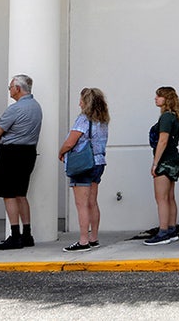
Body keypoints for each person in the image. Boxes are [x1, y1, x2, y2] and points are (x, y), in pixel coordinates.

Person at [0, 74, 43, 250]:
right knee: (21, 193)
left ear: (18, 89)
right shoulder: (36, 107)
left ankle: (15, 235)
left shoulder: (15, 109)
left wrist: (0, 133)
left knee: (9, 194)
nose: (10, 90)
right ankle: (27, 234)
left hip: (11, 153)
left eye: (11, 87)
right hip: (28, 152)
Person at [57, 87, 110, 252]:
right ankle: (94, 238)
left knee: (82, 205)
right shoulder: (103, 120)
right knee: (93, 202)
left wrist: (61, 152)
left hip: (83, 164)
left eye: (81, 99)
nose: (79, 102)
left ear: (86, 102)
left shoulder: (83, 119)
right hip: (99, 162)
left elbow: (71, 142)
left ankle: (83, 241)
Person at [145, 86, 179, 245]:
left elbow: (163, 140)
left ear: (166, 99)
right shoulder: (174, 116)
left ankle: (163, 232)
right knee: (169, 197)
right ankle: (172, 229)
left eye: (159, 96)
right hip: (173, 158)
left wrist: (155, 163)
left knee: (161, 198)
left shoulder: (166, 117)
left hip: (165, 160)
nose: (155, 98)